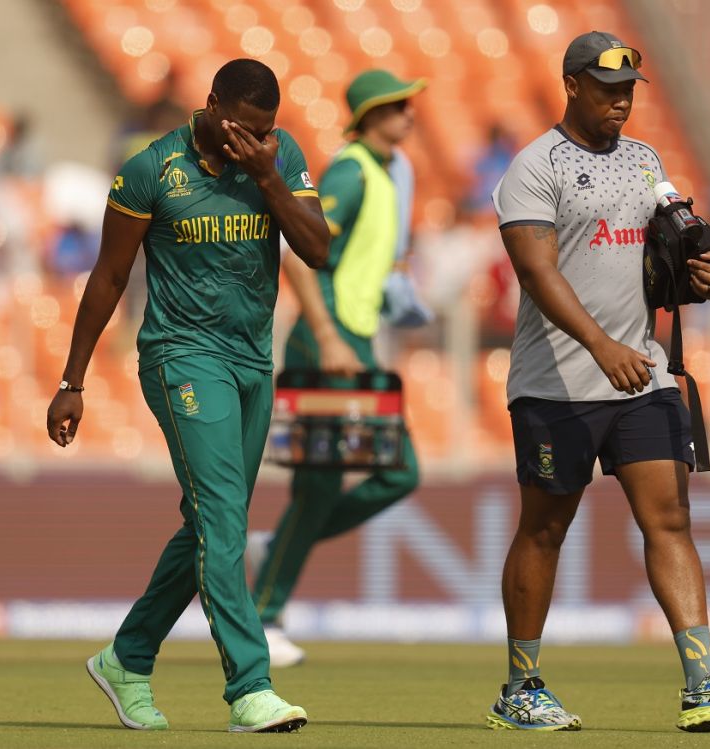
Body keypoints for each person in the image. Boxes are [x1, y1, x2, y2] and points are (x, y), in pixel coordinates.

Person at [486, 31, 710, 733]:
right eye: (606, 88)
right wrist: (600, 343)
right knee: (545, 529)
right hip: (555, 381)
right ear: (572, 85)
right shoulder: (534, 168)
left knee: (671, 517)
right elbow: (537, 272)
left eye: (627, 91)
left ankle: (704, 678)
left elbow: (663, 257)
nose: (620, 101)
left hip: (639, 375)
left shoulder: (646, 160)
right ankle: (521, 687)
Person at [45, 59, 329, 734]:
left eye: (266, 131)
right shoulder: (151, 169)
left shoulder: (279, 158)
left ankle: (127, 655)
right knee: (223, 517)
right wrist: (72, 380)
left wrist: (267, 177)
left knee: (210, 519)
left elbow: (317, 249)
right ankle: (250, 686)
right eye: (245, 128)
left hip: (252, 360)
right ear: (211, 106)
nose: (255, 140)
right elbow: (109, 276)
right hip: (181, 356)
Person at [248, 69, 425, 667]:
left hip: (353, 339)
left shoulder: (377, 173)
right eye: (398, 104)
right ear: (371, 113)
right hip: (329, 341)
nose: (410, 113)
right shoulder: (351, 172)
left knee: (394, 474)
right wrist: (326, 336)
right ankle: (265, 615)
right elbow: (302, 248)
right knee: (323, 484)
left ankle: (277, 555)